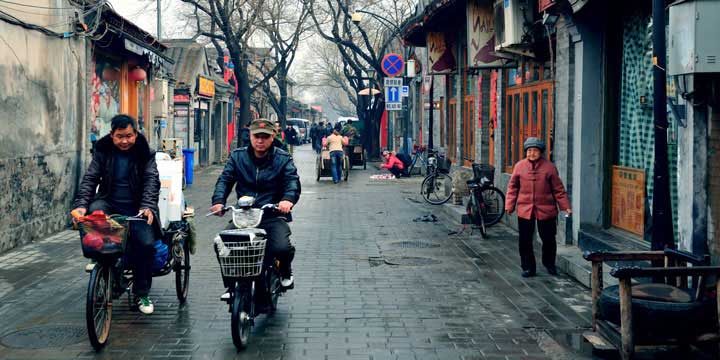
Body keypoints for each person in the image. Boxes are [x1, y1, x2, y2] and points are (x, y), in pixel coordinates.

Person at [71, 114, 160, 315]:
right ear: (112, 135)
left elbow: (151, 181)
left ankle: (142, 292)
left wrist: (147, 206)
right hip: (110, 202)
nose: (125, 141)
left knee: (145, 245)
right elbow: (90, 179)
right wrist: (81, 206)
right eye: (120, 136)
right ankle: (105, 266)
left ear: (135, 135)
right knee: (94, 213)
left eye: (129, 136)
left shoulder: (145, 153)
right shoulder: (103, 151)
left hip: (137, 208)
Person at [210, 118, 300, 292]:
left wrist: (287, 199)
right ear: (250, 136)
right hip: (244, 215)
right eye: (256, 136)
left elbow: (292, 181)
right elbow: (225, 179)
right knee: (221, 245)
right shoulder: (238, 156)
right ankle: (231, 286)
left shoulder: (283, 158)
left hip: (272, 214)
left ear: (272, 137)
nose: (260, 140)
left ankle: (285, 270)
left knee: (281, 247)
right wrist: (218, 201)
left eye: (264, 137)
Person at [505, 137, 572, 278]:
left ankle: (549, 264)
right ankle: (528, 267)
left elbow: (558, 190)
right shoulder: (519, 166)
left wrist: (565, 206)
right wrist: (510, 205)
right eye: (529, 151)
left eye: (535, 150)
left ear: (541, 152)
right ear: (525, 152)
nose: (532, 153)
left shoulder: (549, 168)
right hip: (525, 209)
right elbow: (512, 187)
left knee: (548, 239)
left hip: (546, 209)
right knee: (525, 240)